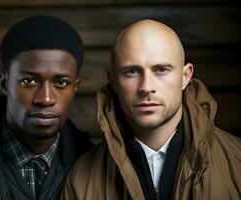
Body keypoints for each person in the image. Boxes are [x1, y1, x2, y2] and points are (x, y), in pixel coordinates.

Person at [61, 19, 241, 200]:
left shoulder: (237, 161)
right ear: (113, 80)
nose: (146, 87)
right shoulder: (81, 179)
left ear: (185, 77)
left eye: (161, 69)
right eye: (132, 71)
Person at [0, 15, 92, 200]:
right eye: (29, 81)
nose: (45, 98)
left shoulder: (96, 166)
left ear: (75, 88)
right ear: (5, 84)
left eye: (61, 82)